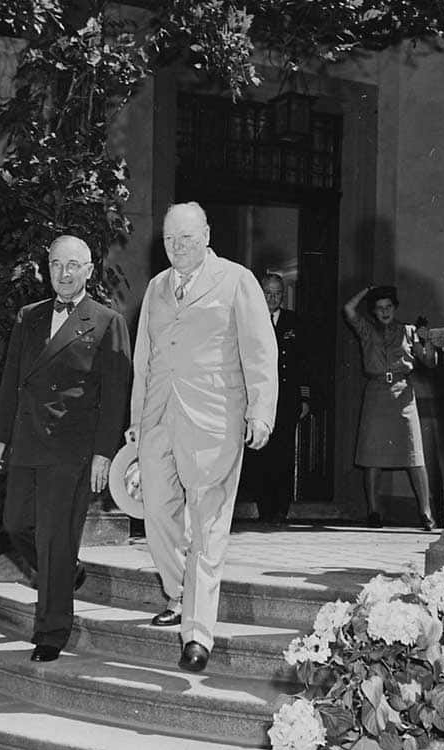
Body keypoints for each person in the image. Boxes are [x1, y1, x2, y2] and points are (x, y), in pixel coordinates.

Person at [127, 201, 278, 673]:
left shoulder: (236, 280)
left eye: (187, 238)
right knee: (155, 513)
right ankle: (177, 591)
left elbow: (259, 350)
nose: (178, 247)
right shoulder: (156, 288)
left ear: (207, 234)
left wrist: (261, 411)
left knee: (208, 527)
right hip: (158, 420)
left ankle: (197, 633)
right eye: (171, 239)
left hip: (215, 421)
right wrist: (136, 421)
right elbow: (143, 359)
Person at [0, 234, 131, 664]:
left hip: (72, 448)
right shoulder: (28, 317)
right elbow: (12, 379)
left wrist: (105, 454)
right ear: (46, 268)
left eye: (73, 266)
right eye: (55, 265)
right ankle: (67, 572)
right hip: (28, 442)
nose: (63, 274)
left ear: (89, 271)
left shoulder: (107, 321)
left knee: (54, 537)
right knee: (14, 524)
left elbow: (115, 394)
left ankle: (51, 631)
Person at [342, 284, 436, 531]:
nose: (384, 312)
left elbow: (429, 361)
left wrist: (426, 340)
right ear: (373, 311)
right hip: (376, 394)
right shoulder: (366, 330)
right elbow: (348, 308)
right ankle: (374, 511)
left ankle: (426, 513)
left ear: (394, 308)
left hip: (403, 395)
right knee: (372, 457)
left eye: (388, 307)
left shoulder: (409, 331)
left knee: (415, 456)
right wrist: (367, 290)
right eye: (379, 308)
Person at [241, 273, 311, 524]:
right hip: (259, 399)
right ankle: (264, 508)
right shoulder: (249, 319)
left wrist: (304, 398)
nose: (272, 298)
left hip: (286, 399)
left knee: (283, 455)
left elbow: (304, 362)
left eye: (277, 293)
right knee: (260, 455)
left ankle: (281, 509)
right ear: (260, 292)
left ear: (283, 295)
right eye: (268, 292)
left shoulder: (294, 322)